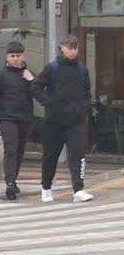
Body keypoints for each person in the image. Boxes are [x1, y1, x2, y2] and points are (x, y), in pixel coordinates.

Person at [31, 35, 94, 203]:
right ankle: (46, 187)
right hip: (54, 121)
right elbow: (36, 86)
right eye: (69, 48)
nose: (72, 51)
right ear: (62, 48)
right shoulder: (52, 68)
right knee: (51, 154)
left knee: (77, 154)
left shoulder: (82, 69)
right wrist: (47, 102)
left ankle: (78, 188)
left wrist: (84, 107)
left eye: (75, 48)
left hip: (75, 120)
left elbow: (87, 92)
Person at [0, 41, 36, 200]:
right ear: (7, 57)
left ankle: (13, 179)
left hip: (25, 118)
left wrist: (32, 80)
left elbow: (39, 93)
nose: (15, 59)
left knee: (20, 150)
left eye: (18, 56)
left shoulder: (28, 74)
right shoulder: (0, 77)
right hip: (8, 118)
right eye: (12, 56)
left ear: (23, 56)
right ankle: (9, 182)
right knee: (11, 149)